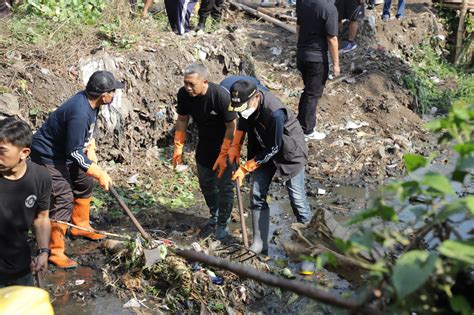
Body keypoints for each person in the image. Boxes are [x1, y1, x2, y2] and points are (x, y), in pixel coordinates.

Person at [31, 71, 123, 269]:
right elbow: (74, 152)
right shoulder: (80, 112)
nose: (114, 95)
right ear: (104, 94)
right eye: (112, 92)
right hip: (48, 156)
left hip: (65, 151)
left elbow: (85, 134)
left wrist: (91, 148)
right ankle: (54, 251)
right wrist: (98, 172)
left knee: (83, 180)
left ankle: (80, 226)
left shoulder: (93, 104)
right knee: (62, 197)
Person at [228, 79, 312, 256]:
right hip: (262, 148)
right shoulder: (246, 107)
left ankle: (309, 247)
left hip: (289, 152)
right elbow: (243, 122)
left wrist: (246, 167)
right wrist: (235, 145)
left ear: (256, 98)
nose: (241, 111)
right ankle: (259, 243)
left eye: (243, 107)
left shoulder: (275, 113)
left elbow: (274, 148)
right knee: (256, 193)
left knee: (297, 201)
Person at [173, 63, 237, 239]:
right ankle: (214, 215)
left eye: (192, 84)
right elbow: (182, 119)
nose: (188, 87)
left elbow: (232, 126)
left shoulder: (221, 96)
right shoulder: (183, 94)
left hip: (225, 144)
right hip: (205, 143)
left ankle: (223, 225)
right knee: (206, 182)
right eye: (186, 83)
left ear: (204, 81)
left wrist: (225, 153)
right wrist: (179, 146)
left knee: (225, 187)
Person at [0, 118, 51, 287]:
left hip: (19, 265)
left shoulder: (40, 177)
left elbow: (41, 218)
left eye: (2, 151)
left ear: (24, 153)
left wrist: (43, 251)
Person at [296, 0, 340, 141]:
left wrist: (299, 47)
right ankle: (307, 130)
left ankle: (300, 123)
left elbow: (298, 26)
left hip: (302, 55)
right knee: (313, 94)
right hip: (317, 58)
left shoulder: (303, 3)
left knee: (308, 91)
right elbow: (332, 39)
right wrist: (336, 64)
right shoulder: (329, 9)